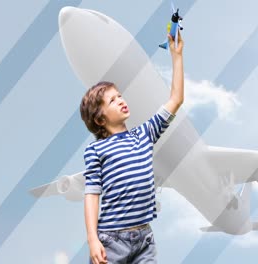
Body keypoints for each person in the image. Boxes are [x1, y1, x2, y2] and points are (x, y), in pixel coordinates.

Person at [79, 31, 184, 264]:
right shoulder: (96, 150)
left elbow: (176, 99)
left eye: (120, 96)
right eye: (112, 100)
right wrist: (92, 239)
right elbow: (92, 195)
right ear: (99, 119)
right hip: (110, 242)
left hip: (144, 239)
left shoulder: (145, 134)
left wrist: (177, 56)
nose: (121, 100)